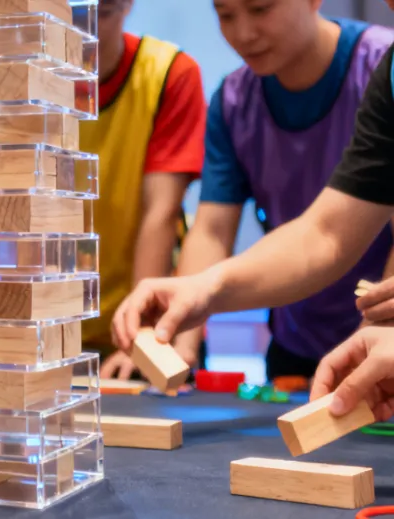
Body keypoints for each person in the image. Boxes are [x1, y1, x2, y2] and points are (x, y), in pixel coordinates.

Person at [110, 0, 394, 421]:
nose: (243, 33)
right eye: (226, 15)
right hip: (300, 340)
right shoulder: (234, 100)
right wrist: (190, 315)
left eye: (261, 9)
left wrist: (379, 331)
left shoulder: (374, 62)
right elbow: (323, 234)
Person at [78, 0, 206, 379]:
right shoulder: (18, 79)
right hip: (46, 327)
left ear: (127, 5)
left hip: (142, 322)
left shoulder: (168, 73)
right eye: (72, 12)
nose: (85, 29)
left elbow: (161, 211)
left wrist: (140, 336)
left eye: (102, 13)